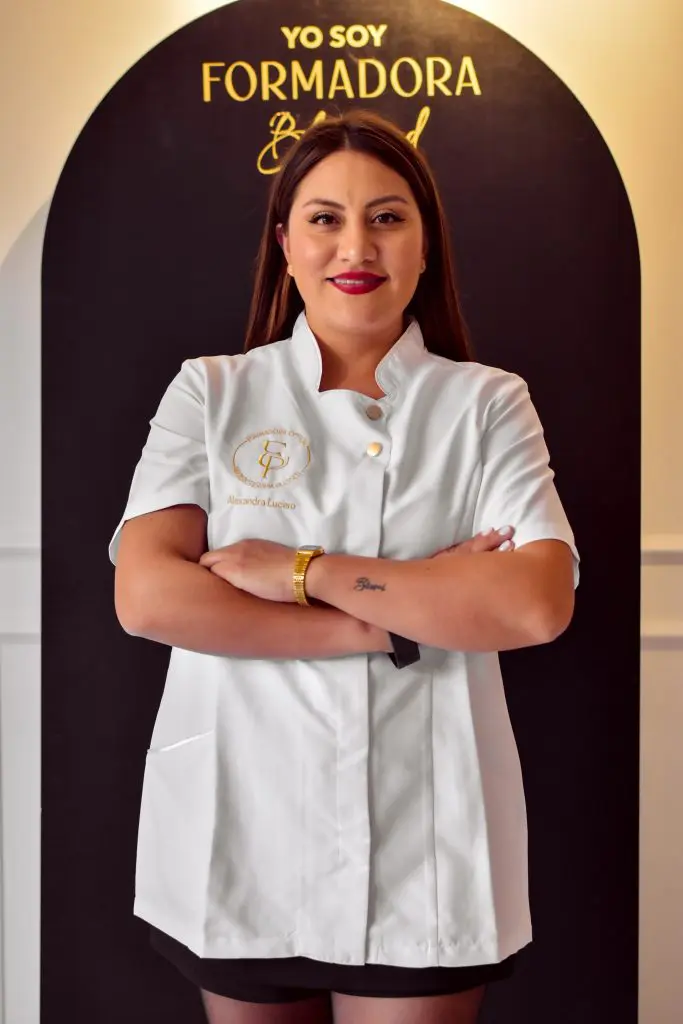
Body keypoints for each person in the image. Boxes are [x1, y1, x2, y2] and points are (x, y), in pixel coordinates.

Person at [110, 109, 579, 1024]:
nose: (355, 246)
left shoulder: (486, 405)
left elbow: (533, 604)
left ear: (424, 247)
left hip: (424, 833)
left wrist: (302, 571)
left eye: (387, 218)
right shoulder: (211, 391)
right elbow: (149, 595)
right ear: (285, 245)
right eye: (324, 218)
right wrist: (390, 617)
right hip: (240, 817)